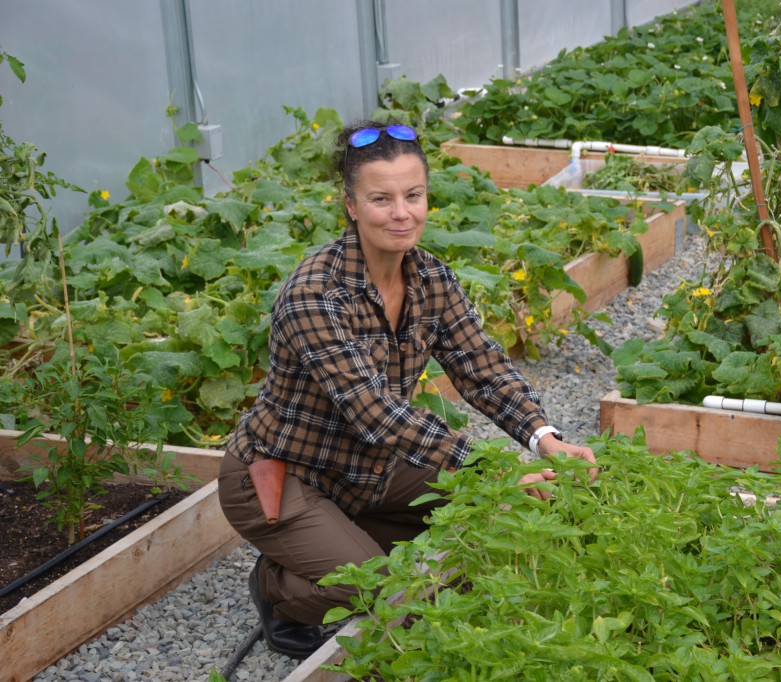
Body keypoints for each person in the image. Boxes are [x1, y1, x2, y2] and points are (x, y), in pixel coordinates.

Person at [218, 120, 596, 659]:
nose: (402, 213)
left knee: (490, 515)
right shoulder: (315, 296)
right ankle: (276, 588)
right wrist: (496, 469)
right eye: (381, 198)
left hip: (372, 467)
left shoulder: (430, 278)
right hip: (286, 474)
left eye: (413, 195)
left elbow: (481, 366)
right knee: (375, 588)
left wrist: (544, 439)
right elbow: (375, 413)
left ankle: (342, 538)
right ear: (350, 204)